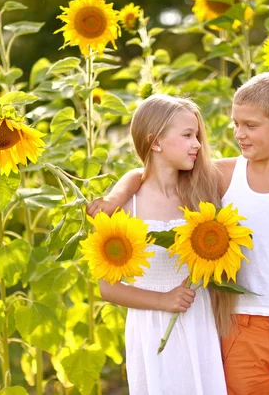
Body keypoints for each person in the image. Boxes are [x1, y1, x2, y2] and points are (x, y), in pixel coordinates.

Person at [89, 72, 269, 395]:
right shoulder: (227, 175)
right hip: (241, 328)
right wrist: (116, 197)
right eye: (235, 124)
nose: (239, 134)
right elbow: (149, 174)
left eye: (250, 126)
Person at [97, 94, 229, 395]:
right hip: (152, 324)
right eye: (187, 135)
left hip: (199, 320)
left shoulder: (201, 191)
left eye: (197, 135)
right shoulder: (127, 207)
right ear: (155, 142)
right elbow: (108, 288)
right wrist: (164, 300)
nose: (197, 144)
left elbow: (252, 166)